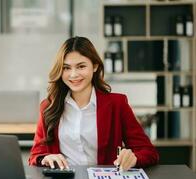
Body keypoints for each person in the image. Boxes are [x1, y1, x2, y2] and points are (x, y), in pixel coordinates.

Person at [28, 36, 159, 171]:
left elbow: (149, 152)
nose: (73, 75)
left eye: (81, 66)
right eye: (66, 68)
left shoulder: (117, 104)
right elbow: (35, 155)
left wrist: (134, 158)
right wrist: (45, 158)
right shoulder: (49, 106)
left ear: (95, 66)